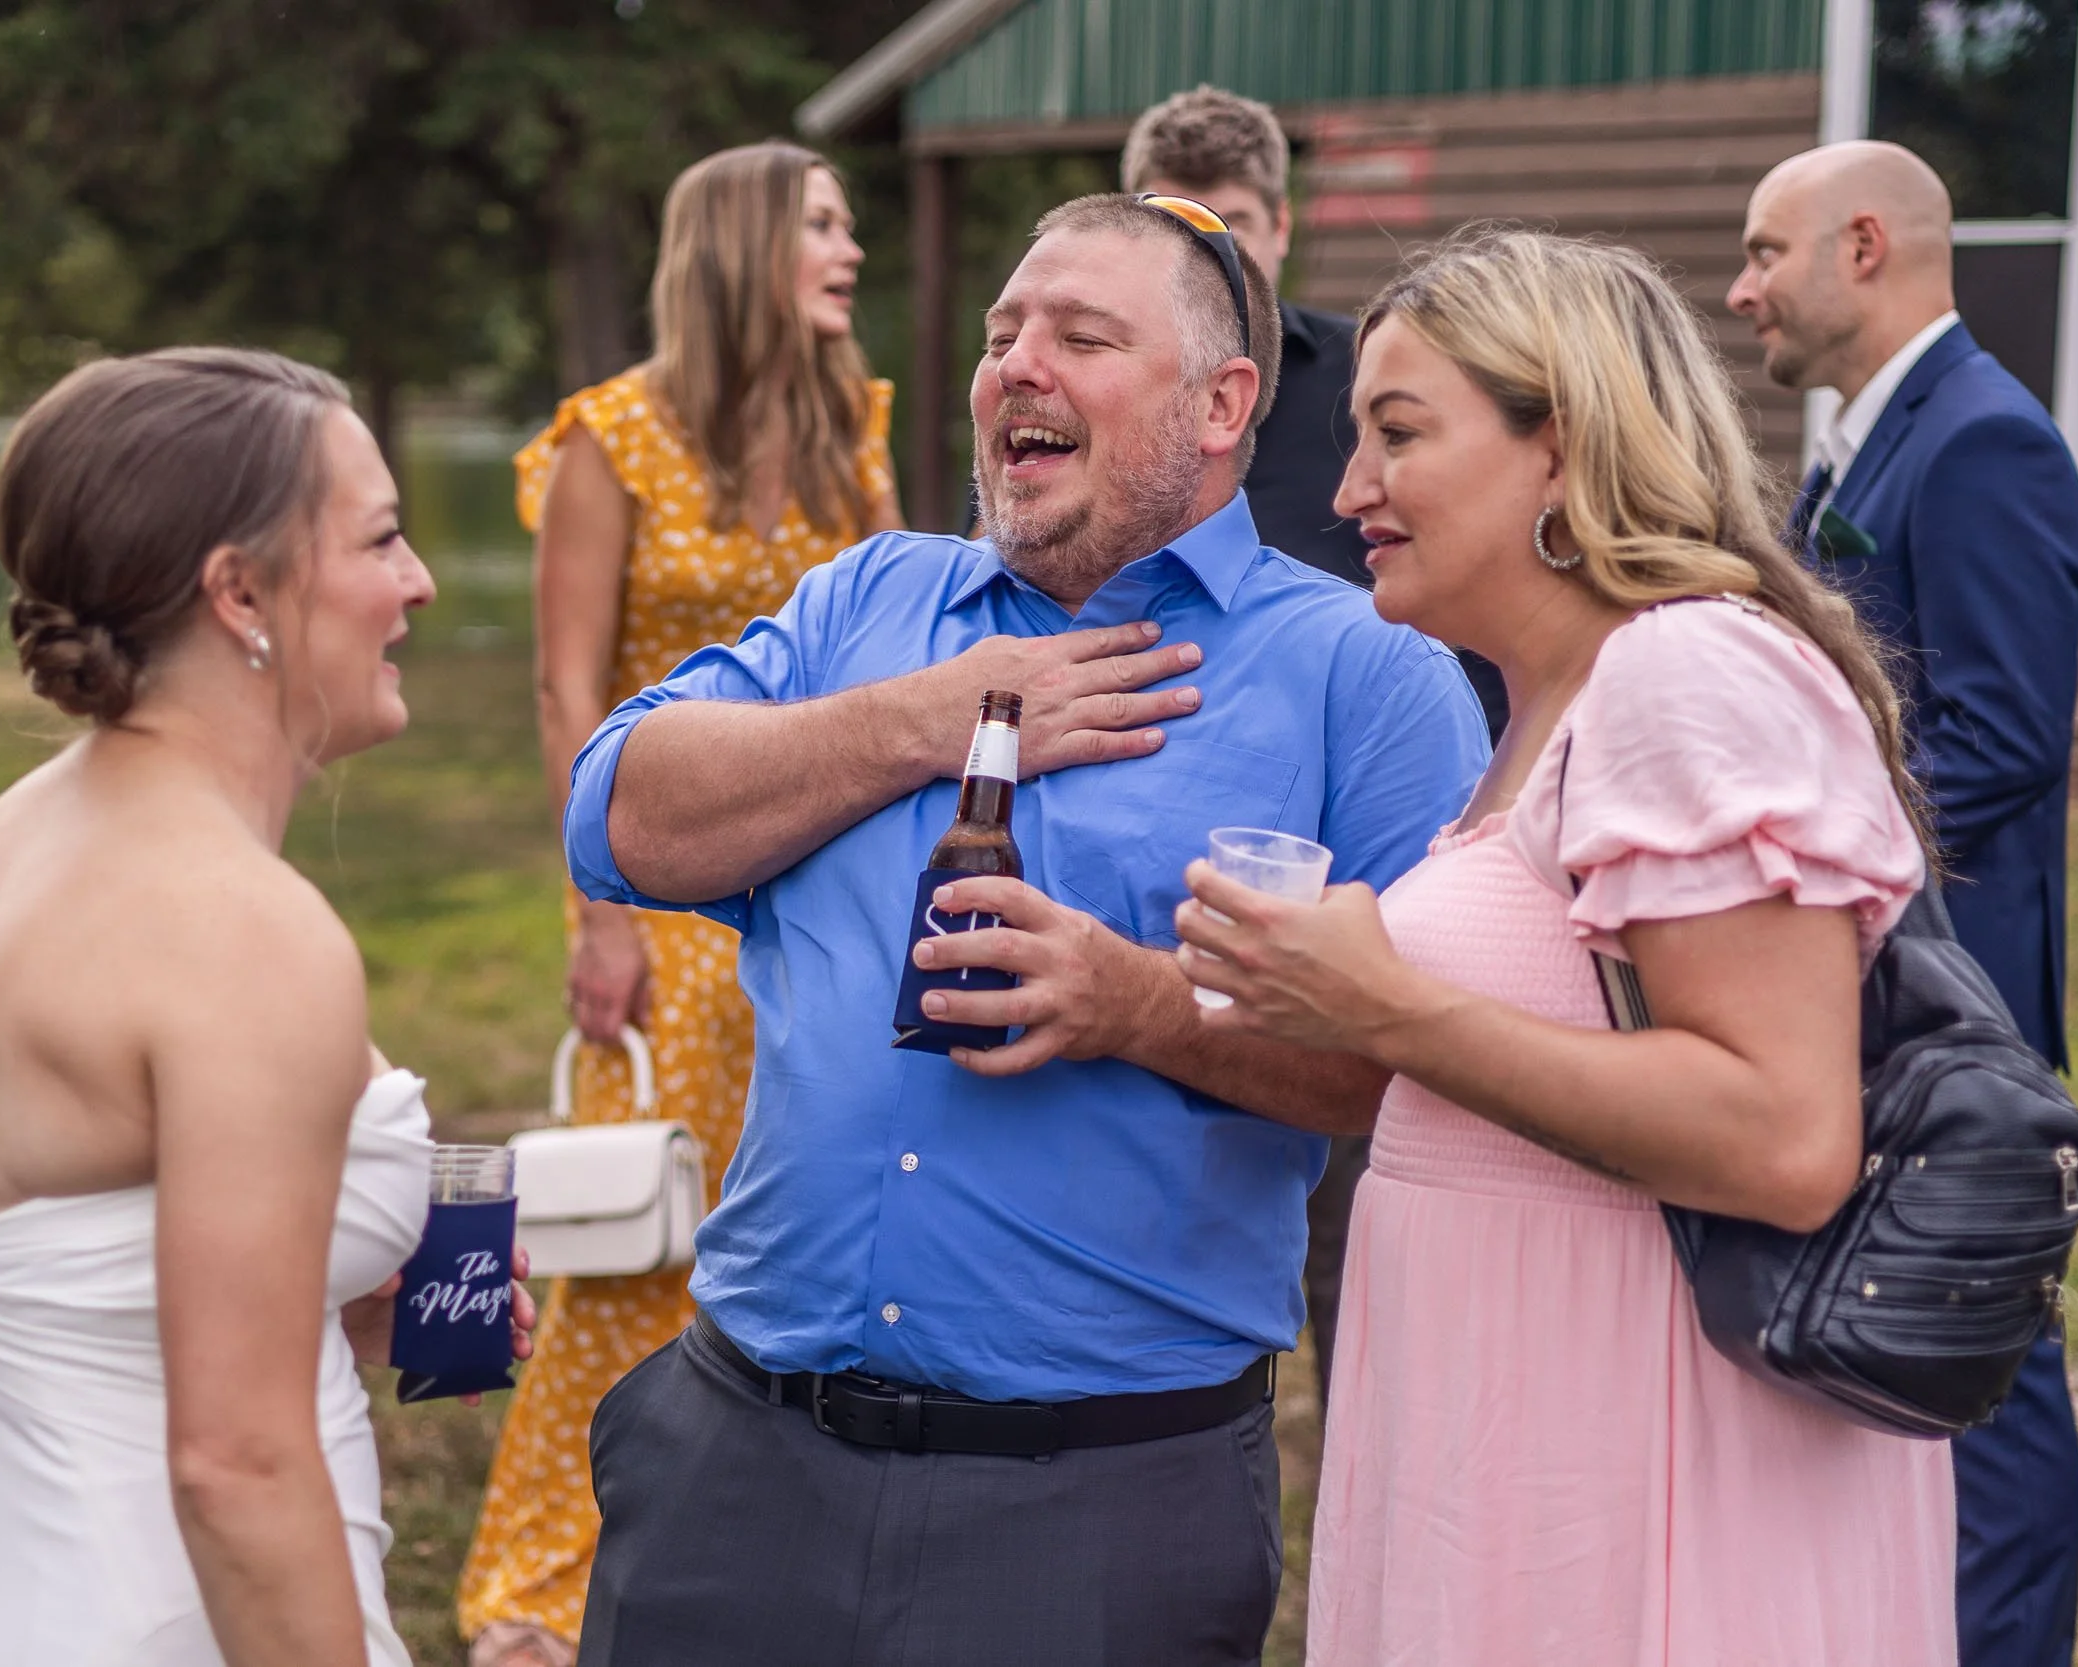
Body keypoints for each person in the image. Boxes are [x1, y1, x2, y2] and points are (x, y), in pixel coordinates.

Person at [562, 193, 1487, 1666]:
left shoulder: (1365, 678)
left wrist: (1140, 1006)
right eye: (1003, 333)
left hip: (1098, 1511)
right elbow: (613, 812)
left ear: (1220, 402)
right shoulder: (873, 597)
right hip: (739, 1465)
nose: (1018, 365)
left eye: (1082, 335)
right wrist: (928, 718)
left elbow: (1442, 1074)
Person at [1174, 227, 1958, 1664]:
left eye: (1398, 434)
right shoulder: (1548, 703)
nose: (1349, 491)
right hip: (1516, 1441)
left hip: (1642, 1467)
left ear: (1565, 443)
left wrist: (1391, 1010)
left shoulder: (1684, 670)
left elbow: (1787, 1133)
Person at [0, 347, 535, 1666]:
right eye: (383, 538)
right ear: (240, 589)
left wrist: (329, 1293)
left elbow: (73, 1253)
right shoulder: (247, 934)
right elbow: (234, 1466)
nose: (417, 584)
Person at [453, 140, 900, 1667]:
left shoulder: (862, 432)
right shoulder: (614, 436)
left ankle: (758, 1541)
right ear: (745, 248)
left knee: (808, 1229)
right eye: (824, 223)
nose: (851, 247)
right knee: (628, 1249)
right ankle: (536, 1584)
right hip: (668, 895)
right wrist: (599, 909)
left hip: (827, 882)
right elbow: (567, 680)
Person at [1726, 140, 2078, 1667]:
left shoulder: (1984, 442)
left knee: (1980, 1348)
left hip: (1958, 1000)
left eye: (1765, 253)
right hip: (1875, 987)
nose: (1741, 289)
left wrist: (1792, 863)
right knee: (1897, 1331)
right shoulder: (1867, 441)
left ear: (1862, 248)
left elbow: (2001, 737)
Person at [1119, 84, 1506, 1426]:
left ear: (1282, 226)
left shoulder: (1363, 387)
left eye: (1235, 223)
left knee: (1369, 1191)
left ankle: (1370, 1456)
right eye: (1178, 226)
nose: (1215, 252)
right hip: (1176, 843)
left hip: (1383, 843)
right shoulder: (1115, 406)